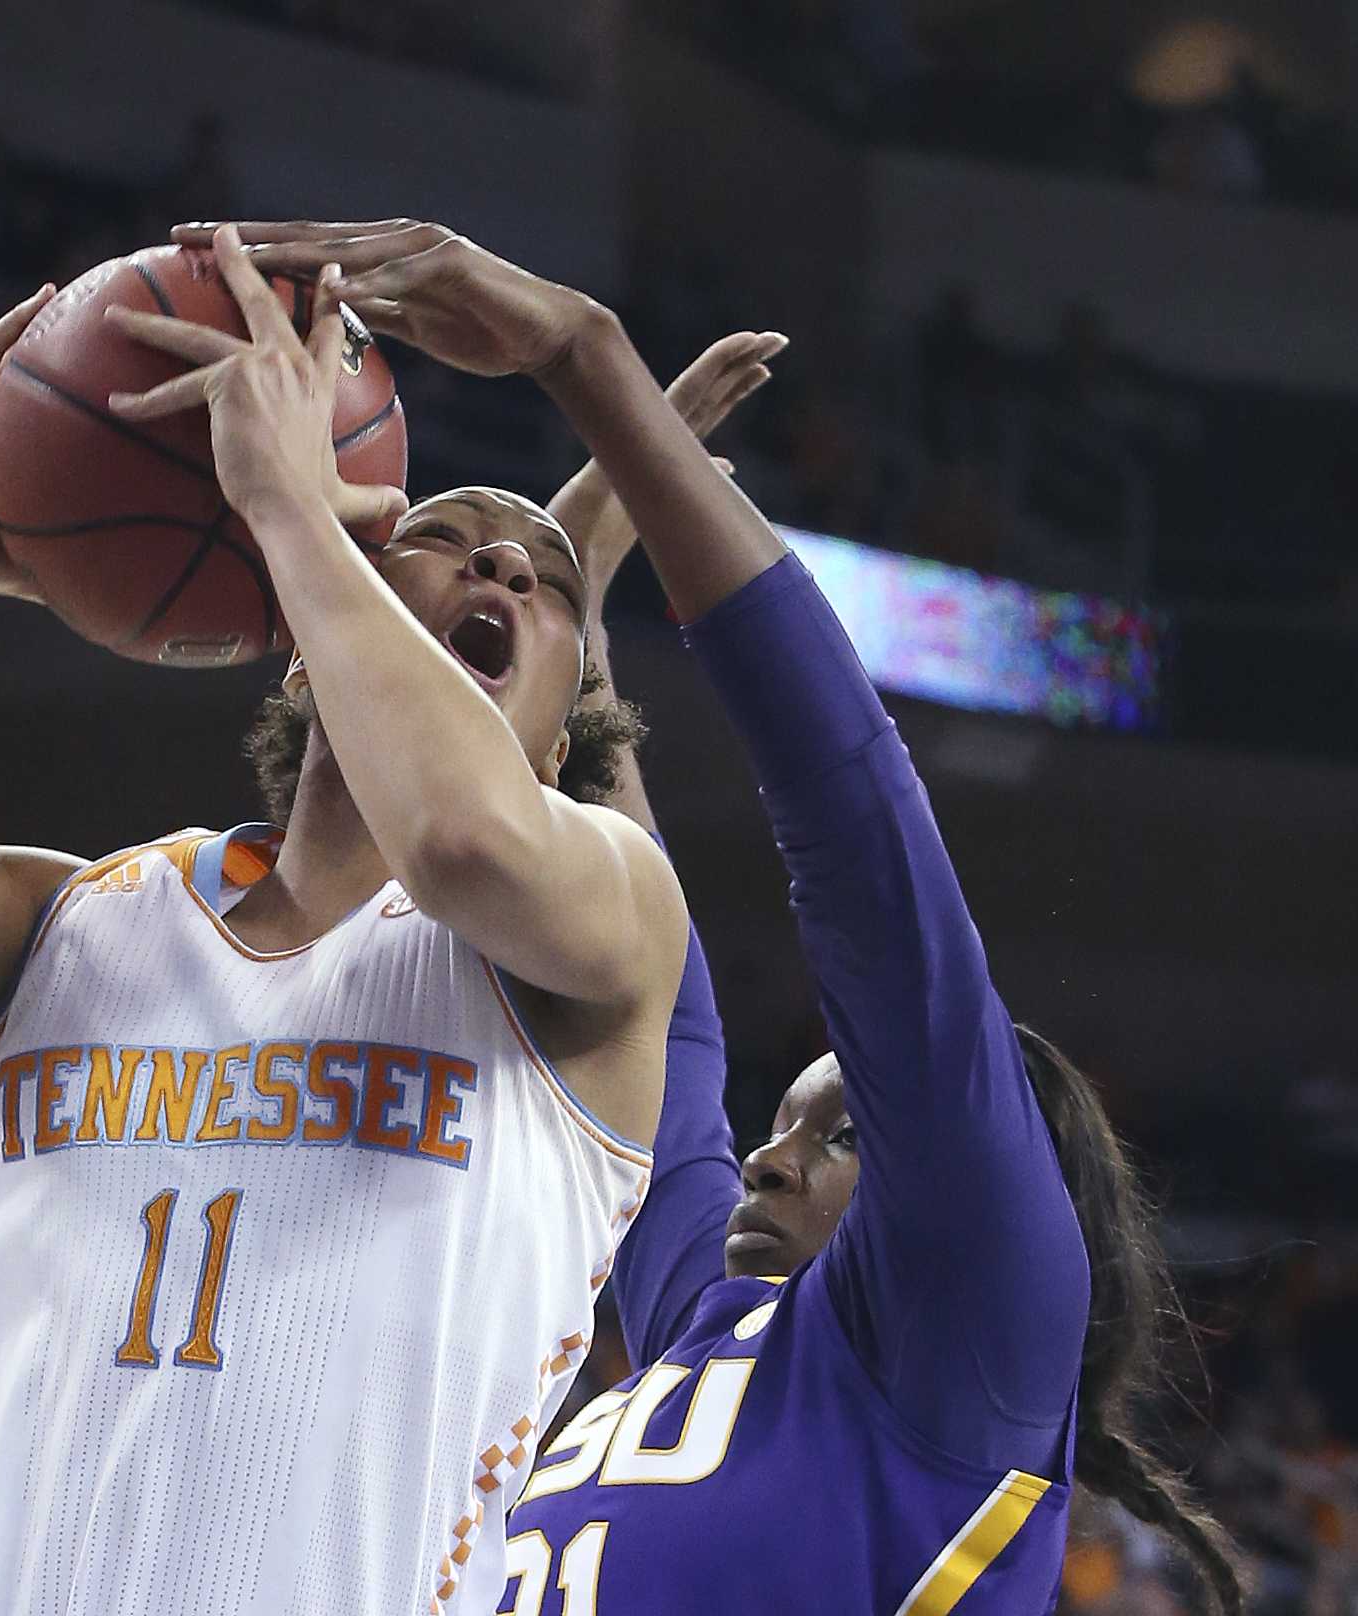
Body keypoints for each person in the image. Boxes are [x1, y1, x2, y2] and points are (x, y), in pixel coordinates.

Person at [170, 217, 1244, 1613]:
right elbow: (661, 1007)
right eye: (780, 1128)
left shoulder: (971, 1330)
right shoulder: (704, 1325)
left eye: (840, 1132)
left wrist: (588, 359)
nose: (766, 1164)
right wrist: (586, 605)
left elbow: (856, 836)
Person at [0, 229, 689, 1616]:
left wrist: (299, 512)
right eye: (441, 538)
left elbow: (466, 837)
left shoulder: (601, 926)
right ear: (304, 635)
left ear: (551, 751)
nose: (501, 568)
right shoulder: (69, 927)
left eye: (544, 583)